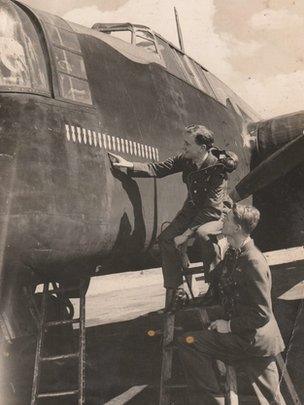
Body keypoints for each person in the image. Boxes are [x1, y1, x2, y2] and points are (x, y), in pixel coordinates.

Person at [108, 124, 238, 308]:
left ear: (202, 148)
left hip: (217, 213)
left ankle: (216, 286)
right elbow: (159, 169)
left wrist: (185, 235)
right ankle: (178, 289)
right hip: (192, 209)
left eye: (187, 143)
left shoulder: (217, 169)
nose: (183, 147)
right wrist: (130, 165)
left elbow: (211, 209)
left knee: (204, 234)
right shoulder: (185, 159)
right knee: (166, 239)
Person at [177, 204, 286, 405]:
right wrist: (184, 257)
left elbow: (262, 314)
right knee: (273, 400)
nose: (222, 222)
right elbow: (217, 279)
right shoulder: (233, 253)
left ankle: (216, 400)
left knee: (189, 344)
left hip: (254, 340)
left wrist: (227, 326)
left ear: (236, 228)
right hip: (245, 334)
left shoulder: (253, 261)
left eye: (226, 219)